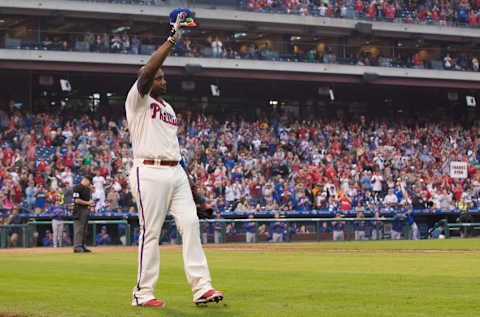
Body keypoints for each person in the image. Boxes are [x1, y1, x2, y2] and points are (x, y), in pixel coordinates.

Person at [125, 11, 223, 307]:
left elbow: (174, 149)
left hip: (175, 171)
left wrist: (196, 193)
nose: (163, 80)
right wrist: (172, 40)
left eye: (164, 77)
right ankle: (142, 293)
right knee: (151, 232)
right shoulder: (137, 99)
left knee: (191, 224)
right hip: (148, 171)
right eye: (160, 77)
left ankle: (202, 288)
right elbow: (146, 73)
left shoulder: (167, 108)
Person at [72, 177, 94, 253]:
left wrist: (90, 206)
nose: (89, 184)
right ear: (85, 180)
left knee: (84, 230)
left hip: (85, 210)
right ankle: (77, 247)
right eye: (89, 182)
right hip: (78, 210)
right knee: (79, 229)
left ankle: (83, 246)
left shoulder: (87, 189)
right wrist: (88, 203)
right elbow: (76, 200)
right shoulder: (77, 187)